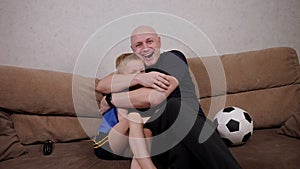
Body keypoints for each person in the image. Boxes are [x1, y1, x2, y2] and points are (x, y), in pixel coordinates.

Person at [96, 25, 241, 169]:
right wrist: (139, 78)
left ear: (159, 42)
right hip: (158, 134)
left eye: (149, 41)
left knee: (173, 107)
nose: (145, 48)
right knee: (150, 133)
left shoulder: (173, 58)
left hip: (191, 124)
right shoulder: (134, 68)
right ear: (133, 49)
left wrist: (111, 99)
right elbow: (102, 85)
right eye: (138, 45)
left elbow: (154, 98)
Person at [94, 53, 158, 169]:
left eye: (142, 71)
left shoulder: (144, 92)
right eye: (133, 72)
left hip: (126, 145)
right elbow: (124, 121)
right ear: (122, 77)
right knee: (134, 117)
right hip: (106, 143)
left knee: (147, 133)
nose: (140, 75)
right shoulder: (121, 93)